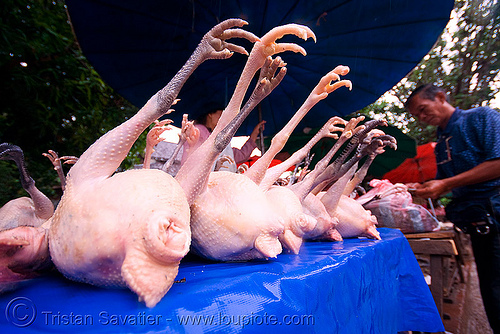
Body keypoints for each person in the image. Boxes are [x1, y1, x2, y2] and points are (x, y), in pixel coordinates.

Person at [405, 84, 500, 333]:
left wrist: (445, 183)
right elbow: (450, 182)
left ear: (440, 97)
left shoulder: (481, 117)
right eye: (417, 116)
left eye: (423, 110)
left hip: (495, 212)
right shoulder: (442, 138)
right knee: (490, 287)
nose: (423, 118)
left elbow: (498, 163)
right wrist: (426, 187)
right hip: (476, 221)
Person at [180, 106, 266, 172]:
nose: (224, 118)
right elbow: (189, 155)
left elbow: (237, 156)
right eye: (221, 114)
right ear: (210, 114)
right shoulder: (198, 130)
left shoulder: (220, 138)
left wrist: (254, 134)